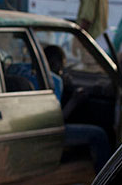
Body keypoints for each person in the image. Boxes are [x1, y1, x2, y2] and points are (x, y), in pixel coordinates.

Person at [44, 45, 111, 173]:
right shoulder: (54, 81)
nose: (62, 71)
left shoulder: (31, 74)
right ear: (55, 64)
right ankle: (104, 177)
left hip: (37, 129)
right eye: (62, 67)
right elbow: (58, 121)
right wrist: (74, 100)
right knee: (98, 134)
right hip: (52, 133)